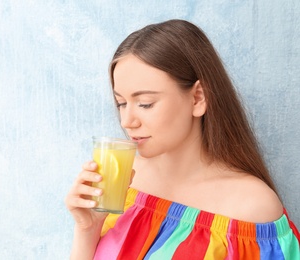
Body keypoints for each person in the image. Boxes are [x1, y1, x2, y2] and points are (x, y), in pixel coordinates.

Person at [65, 19, 300, 259]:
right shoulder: (123, 182)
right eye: (121, 103)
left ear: (198, 98)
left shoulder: (252, 207)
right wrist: (88, 228)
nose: (127, 121)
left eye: (145, 103)